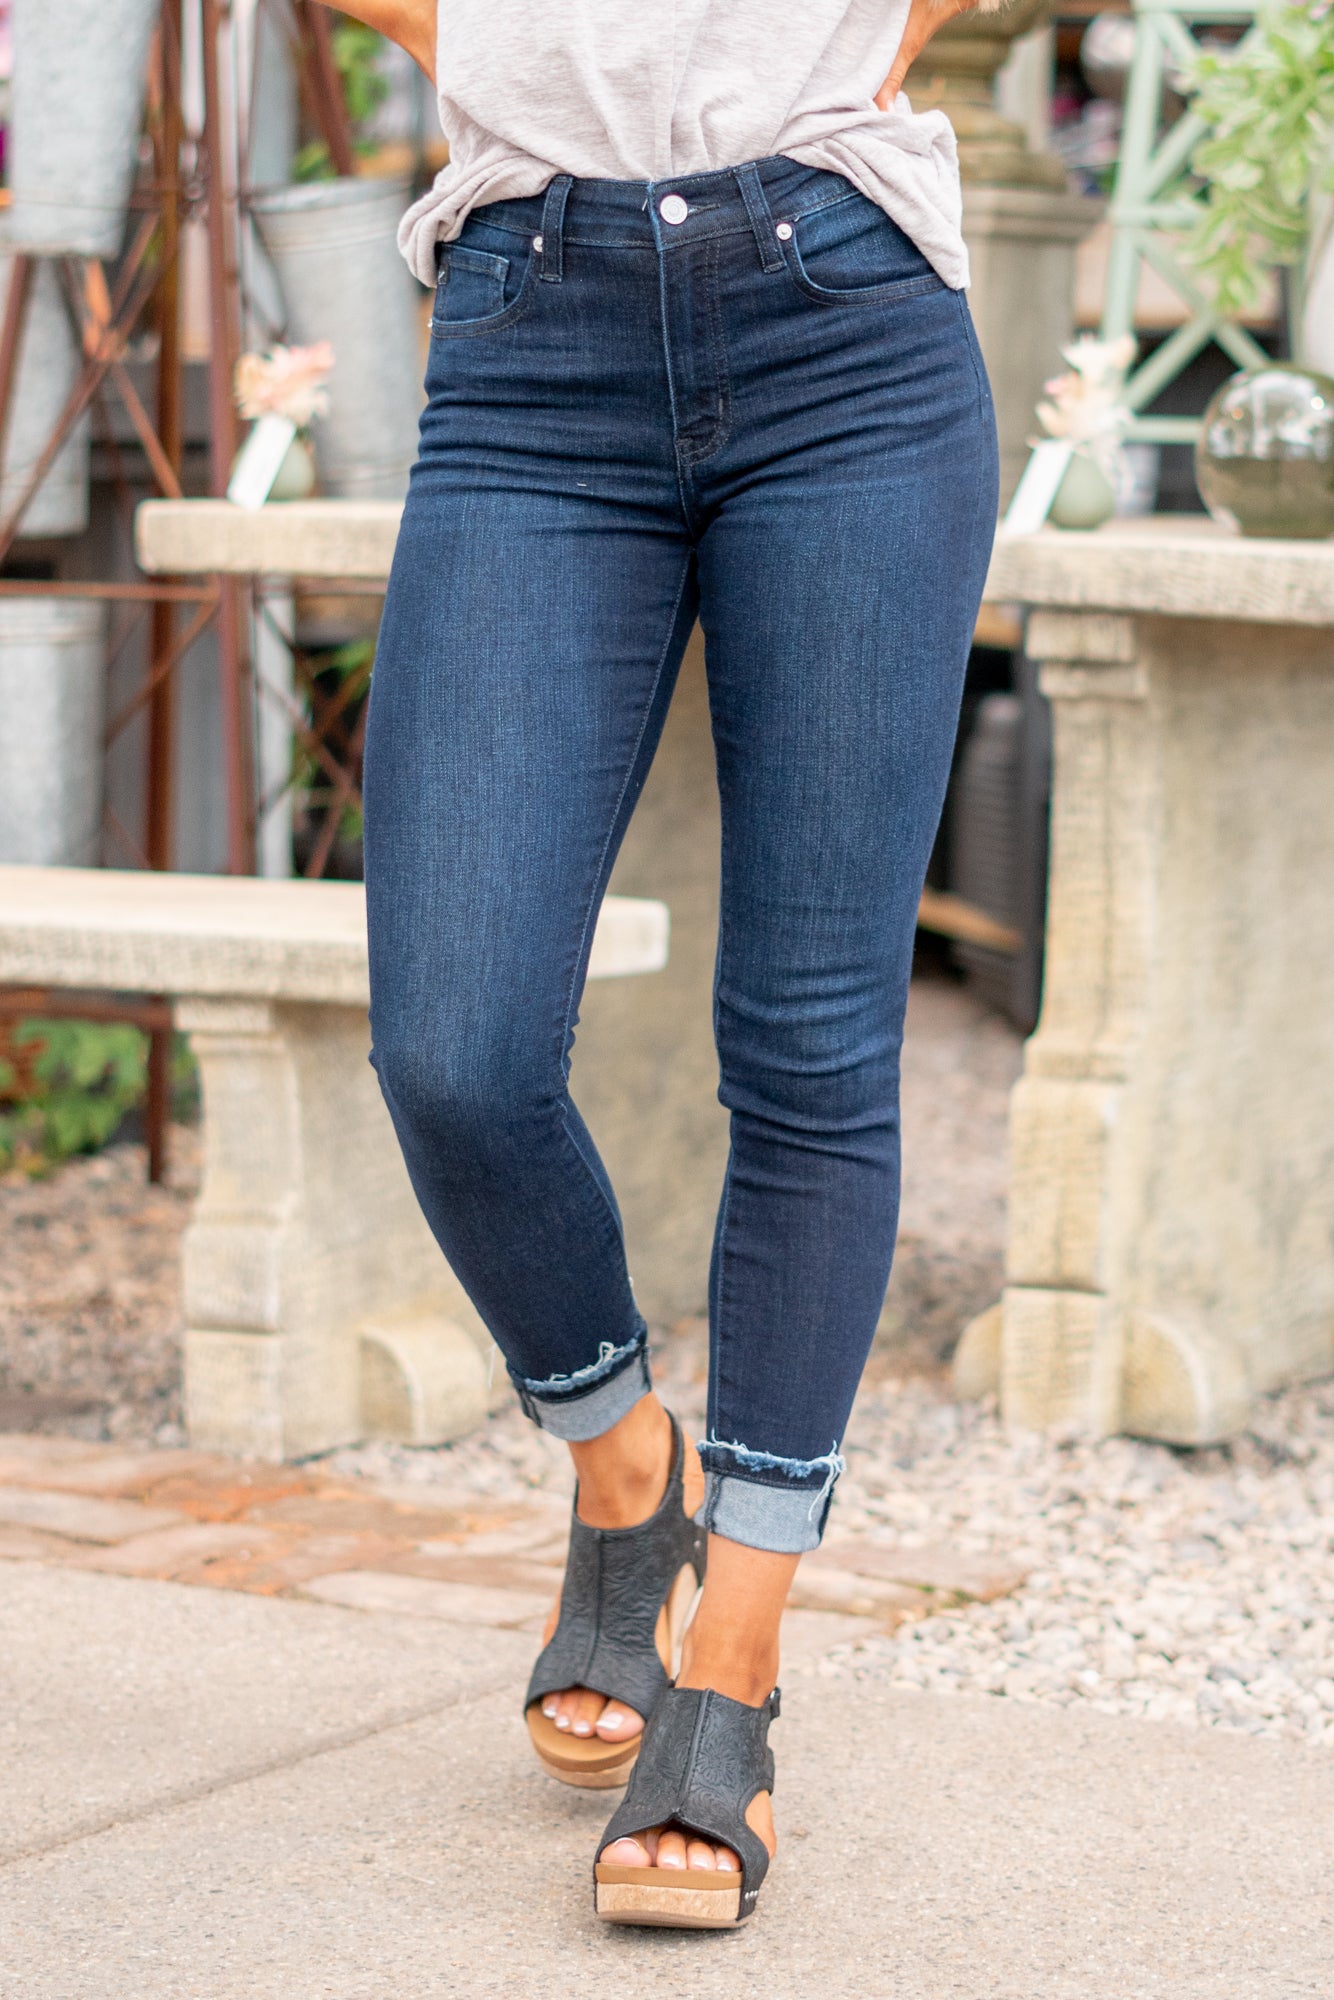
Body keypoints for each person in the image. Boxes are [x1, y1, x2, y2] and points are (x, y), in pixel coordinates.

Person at [316, 0, 999, 1931]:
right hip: (533, 327)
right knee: (452, 1045)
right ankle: (627, 1470)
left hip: (848, 318)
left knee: (808, 1041)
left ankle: (733, 1663)